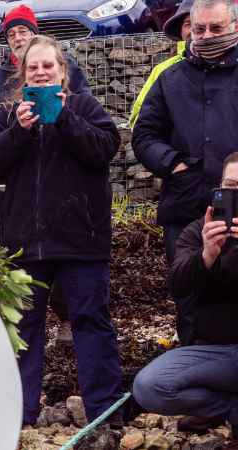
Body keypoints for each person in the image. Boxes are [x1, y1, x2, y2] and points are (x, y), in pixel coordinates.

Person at [0, 35, 123, 427]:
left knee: (91, 322)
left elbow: (105, 148)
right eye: (33, 67)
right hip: (25, 243)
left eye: (48, 66)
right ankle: (20, 414)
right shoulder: (7, 114)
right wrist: (20, 132)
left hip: (81, 242)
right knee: (24, 328)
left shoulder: (84, 106)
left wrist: (65, 119)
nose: (41, 73)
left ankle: (105, 413)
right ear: (23, 75)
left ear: (62, 72)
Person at [132, 0, 238, 345]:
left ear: (234, 27)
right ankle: (193, 364)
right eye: (200, 28)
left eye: (216, 28)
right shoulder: (170, 79)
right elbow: (144, 135)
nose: (207, 36)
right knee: (189, 294)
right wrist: (174, 164)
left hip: (236, 200)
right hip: (186, 202)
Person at [132, 153, 238, 438]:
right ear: (219, 188)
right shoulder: (198, 230)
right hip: (216, 352)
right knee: (149, 386)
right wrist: (206, 256)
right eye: (231, 187)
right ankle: (227, 407)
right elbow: (177, 286)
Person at [0, 5, 91, 112]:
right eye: (11, 35)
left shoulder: (63, 62)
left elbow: (85, 103)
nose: (17, 38)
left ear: (34, 34)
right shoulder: (1, 76)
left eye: (22, 31)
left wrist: (64, 111)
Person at [128, 0, 193, 129]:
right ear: (180, 31)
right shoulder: (163, 71)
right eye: (188, 23)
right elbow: (140, 120)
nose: (196, 29)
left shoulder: (232, 66)